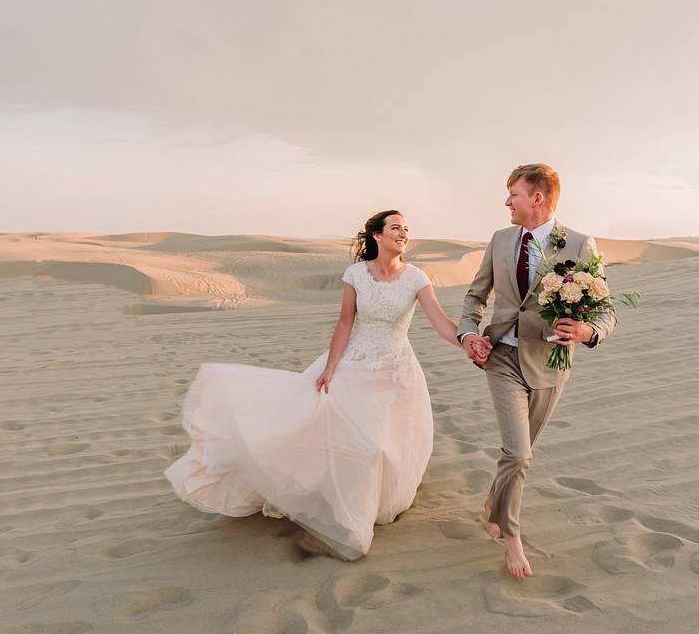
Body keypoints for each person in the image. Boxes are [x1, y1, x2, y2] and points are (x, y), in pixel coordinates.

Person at [164, 210, 472, 559]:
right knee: (328, 430)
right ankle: (343, 507)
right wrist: (329, 368)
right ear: (377, 236)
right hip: (353, 363)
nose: (403, 233)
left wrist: (466, 342)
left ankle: (370, 506)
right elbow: (344, 324)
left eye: (406, 229)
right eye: (395, 228)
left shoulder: (416, 277)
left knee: (378, 446)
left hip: (395, 372)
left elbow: (441, 322)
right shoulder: (356, 274)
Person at [458, 164, 617, 578]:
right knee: (519, 453)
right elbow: (476, 296)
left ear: (538, 198)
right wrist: (467, 334)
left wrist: (587, 331)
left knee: (517, 454)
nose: (506, 201)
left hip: (550, 365)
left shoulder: (581, 245)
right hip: (501, 358)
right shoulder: (500, 239)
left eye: (513, 193)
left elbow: (606, 310)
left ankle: (494, 502)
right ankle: (511, 537)